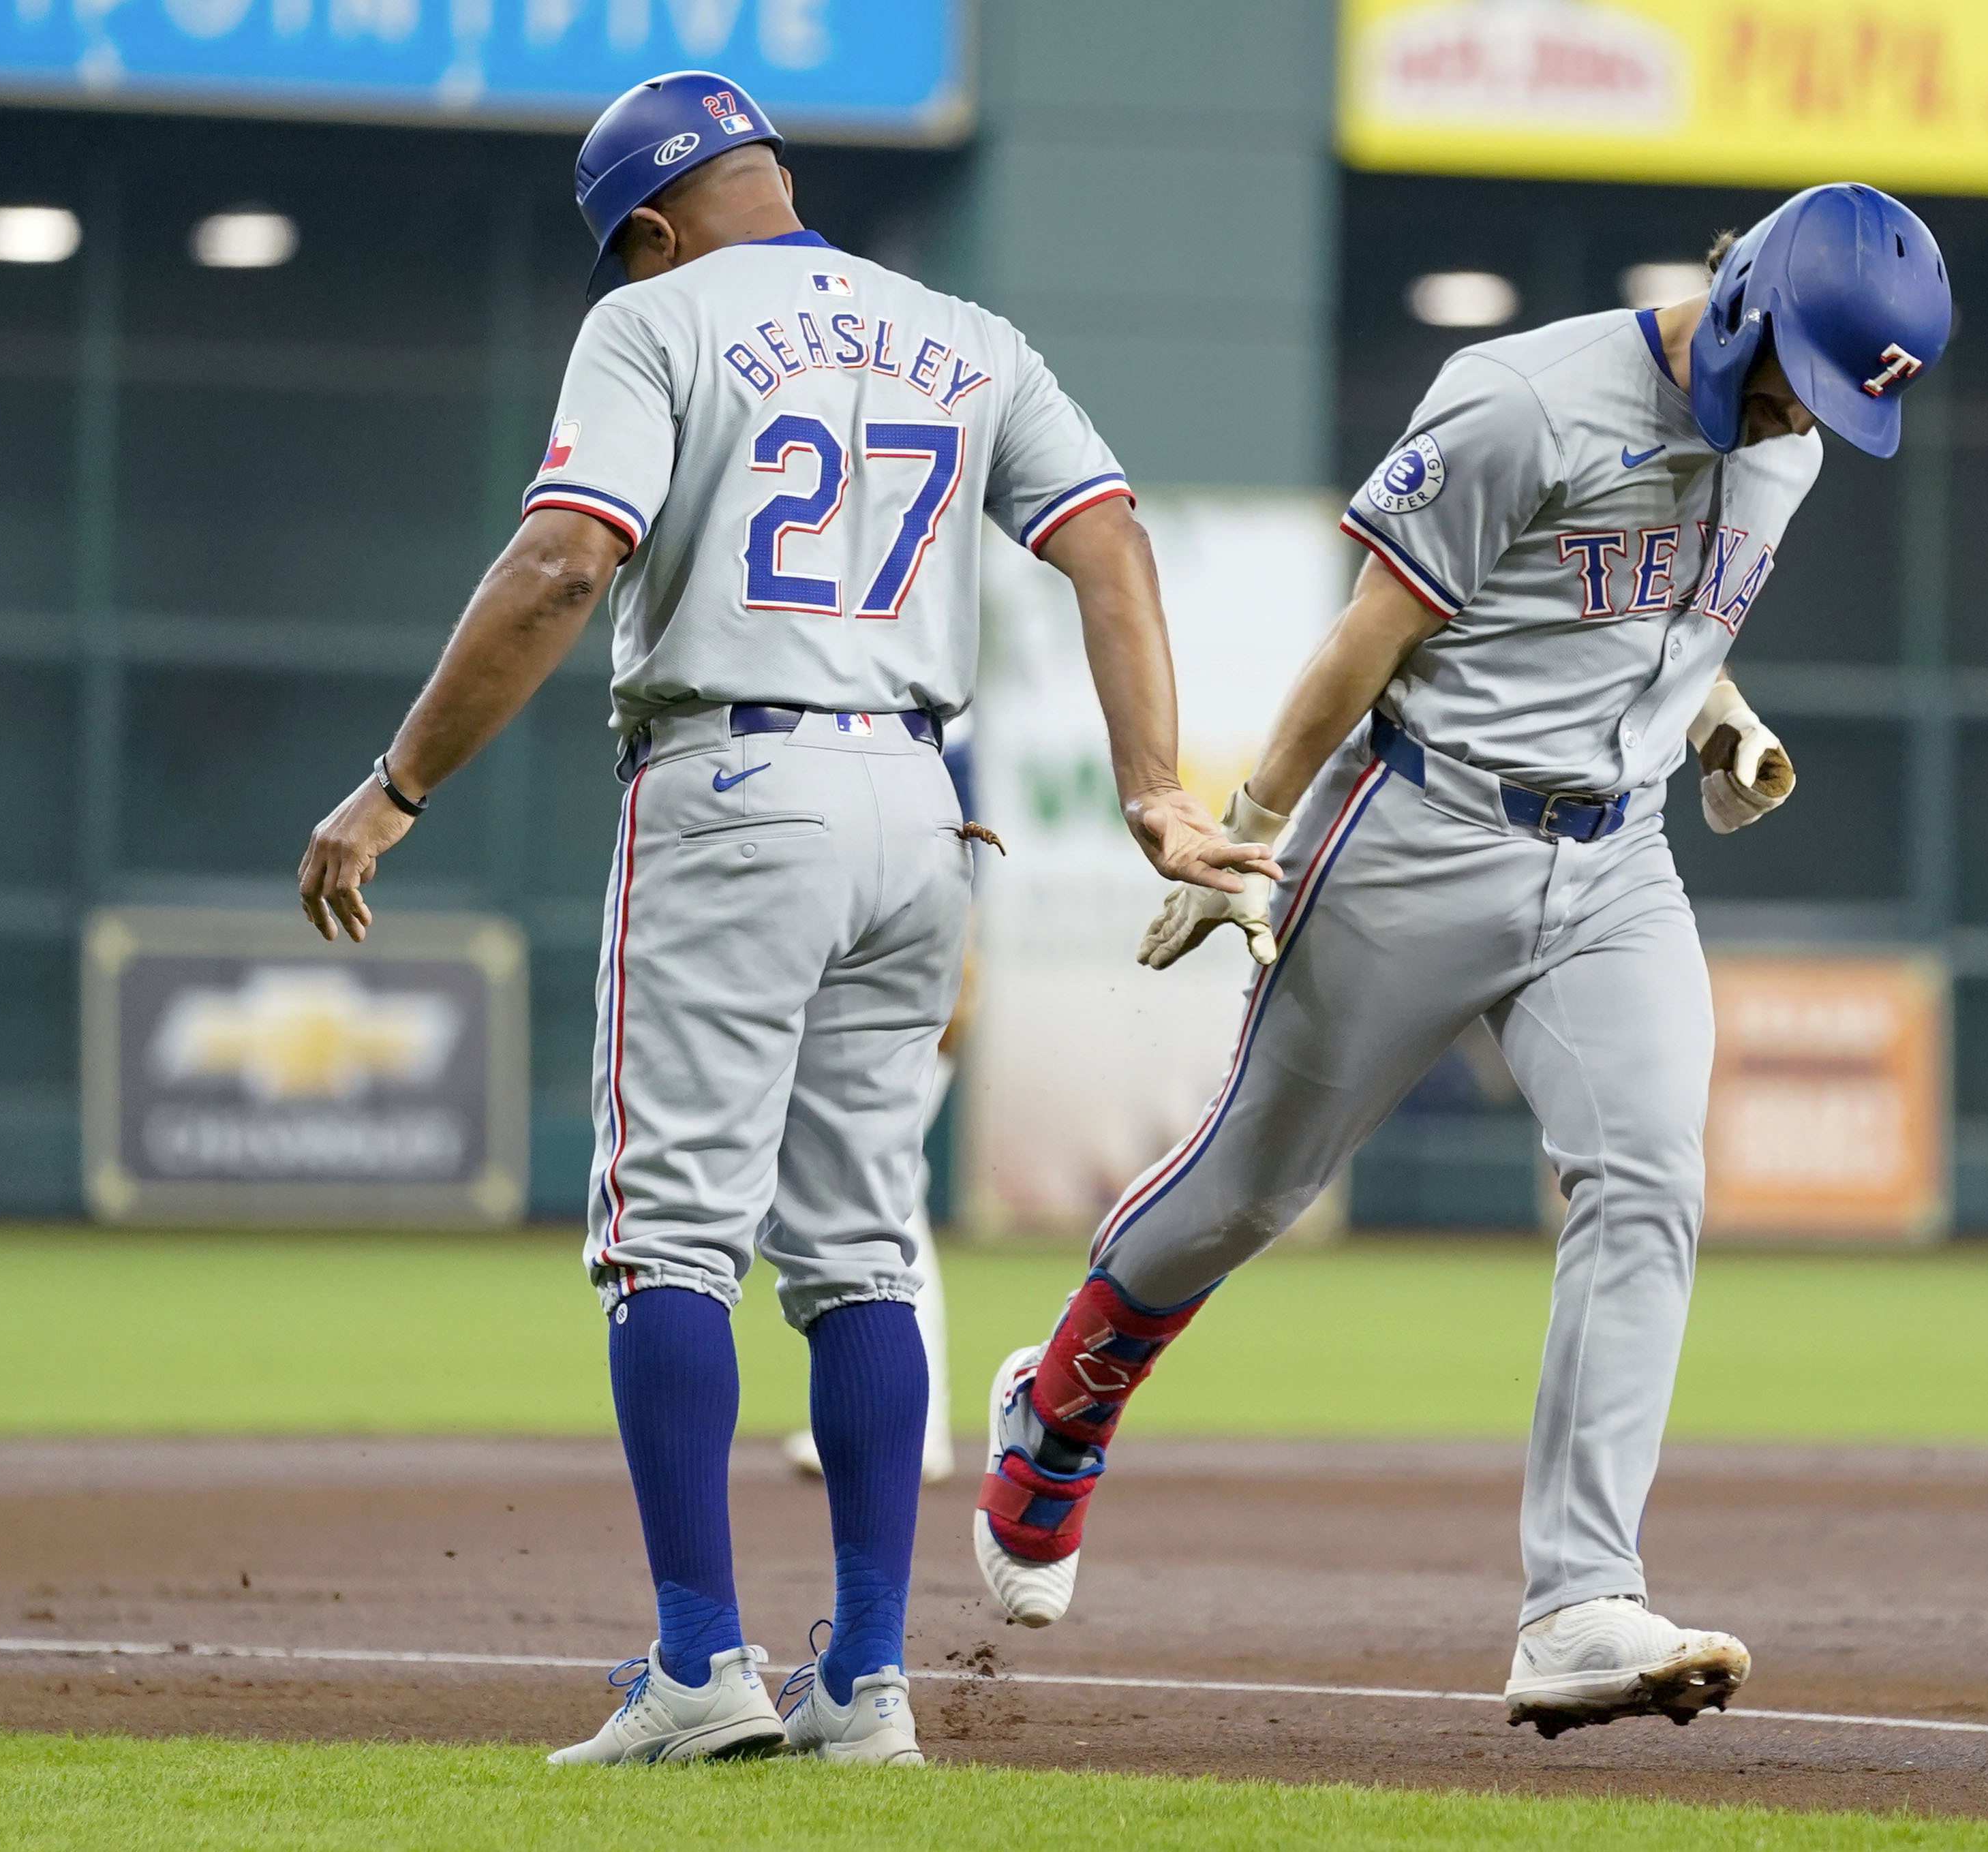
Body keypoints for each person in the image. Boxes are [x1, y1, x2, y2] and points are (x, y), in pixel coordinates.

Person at [294, 71, 1270, 1768]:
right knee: (862, 1246)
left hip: (732, 783)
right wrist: (1150, 787)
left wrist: (394, 784)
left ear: (651, 232)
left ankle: (694, 1666)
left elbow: (557, 568)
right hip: (918, 800)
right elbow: (1107, 545)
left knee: (668, 1235)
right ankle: (869, 1686)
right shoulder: (964, 331)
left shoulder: (657, 320)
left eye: (622, 252)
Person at [968, 184, 1952, 1737]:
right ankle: (1061, 1396)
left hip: (1619, 860)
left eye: (1828, 398)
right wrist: (1251, 824)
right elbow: (1369, 634)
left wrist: (1720, 719)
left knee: (1647, 1179)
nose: (1791, 413)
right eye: (1792, 374)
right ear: (1749, 297)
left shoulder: (1795, 446)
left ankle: (1576, 1602)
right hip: (1423, 830)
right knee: (1244, 1193)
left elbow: (1660, 615)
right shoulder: (1522, 399)